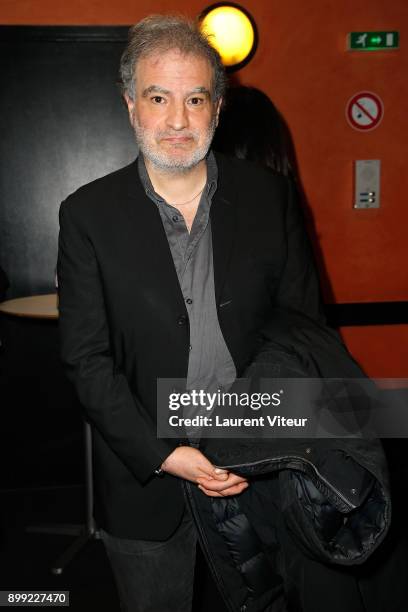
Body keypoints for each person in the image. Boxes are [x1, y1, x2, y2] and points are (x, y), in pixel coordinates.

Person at [57, 15, 323, 612]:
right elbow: (85, 360)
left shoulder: (267, 197)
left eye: (195, 98)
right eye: (158, 98)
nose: (178, 120)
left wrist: (261, 434)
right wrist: (165, 453)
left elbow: (305, 333)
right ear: (132, 106)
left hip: (259, 464)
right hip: (145, 479)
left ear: (217, 108)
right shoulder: (86, 215)